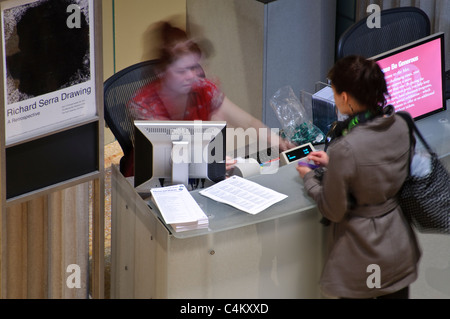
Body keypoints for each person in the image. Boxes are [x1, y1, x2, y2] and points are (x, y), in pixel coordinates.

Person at [296, 55, 421, 299]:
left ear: (345, 97)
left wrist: (309, 179)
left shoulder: (346, 147)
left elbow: (333, 210)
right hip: (398, 247)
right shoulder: (402, 124)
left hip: (362, 255)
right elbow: (382, 168)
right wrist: (337, 165)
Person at [125, 22, 293, 177]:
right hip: (153, 176)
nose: (191, 76)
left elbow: (247, 122)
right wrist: (209, 161)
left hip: (196, 171)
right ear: (161, 72)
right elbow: (169, 152)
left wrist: (278, 141)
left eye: (194, 68)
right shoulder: (142, 105)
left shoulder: (203, 89)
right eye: (182, 71)